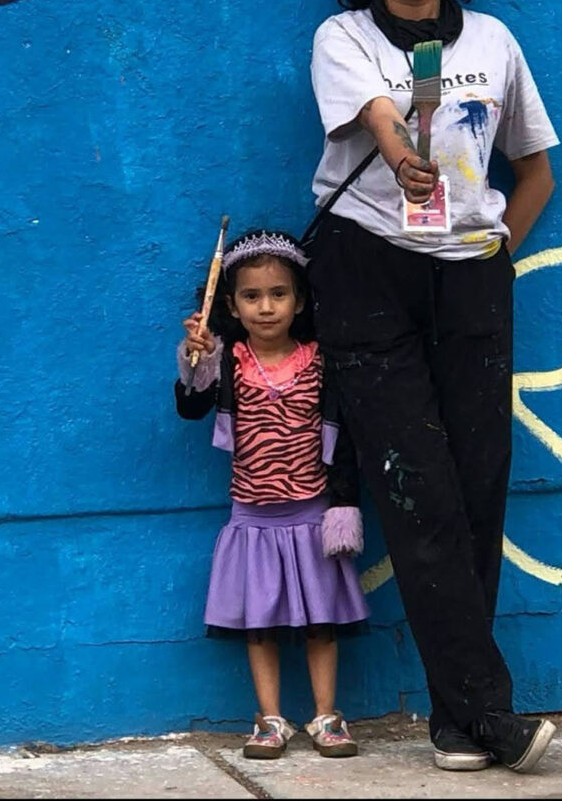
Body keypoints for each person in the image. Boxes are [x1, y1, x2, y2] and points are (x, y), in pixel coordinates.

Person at [305, 0, 560, 774]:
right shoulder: (342, 36)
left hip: (471, 280)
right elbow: (378, 114)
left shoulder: (493, 41)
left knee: (478, 486)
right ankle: (488, 712)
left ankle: (458, 722)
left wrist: (495, 251)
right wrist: (399, 150)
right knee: (418, 491)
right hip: (369, 272)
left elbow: (535, 168)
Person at [174, 228, 369, 760]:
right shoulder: (228, 363)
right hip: (253, 519)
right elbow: (191, 407)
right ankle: (270, 718)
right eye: (251, 296)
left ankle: (326, 714)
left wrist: (344, 503)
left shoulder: (320, 360)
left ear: (300, 301)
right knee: (259, 625)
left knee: (321, 622)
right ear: (230, 306)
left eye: (279, 294)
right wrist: (196, 359)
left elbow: (346, 439)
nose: (265, 307)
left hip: (312, 515)